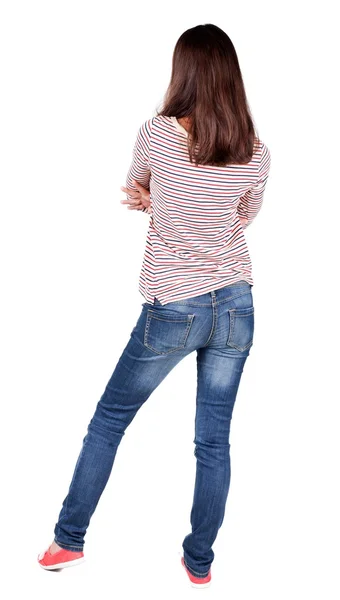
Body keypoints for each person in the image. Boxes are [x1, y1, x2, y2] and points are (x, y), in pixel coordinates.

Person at [37, 23, 271, 589]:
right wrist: (186, 212)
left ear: (184, 71)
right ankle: (200, 562)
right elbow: (242, 215)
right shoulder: (257, 151)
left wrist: (158, 204)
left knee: (109, 421)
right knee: (213, 438)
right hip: (237, 302)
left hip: (174, 305)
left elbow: (136, 187)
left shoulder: (158, 133)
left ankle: (68, 541)